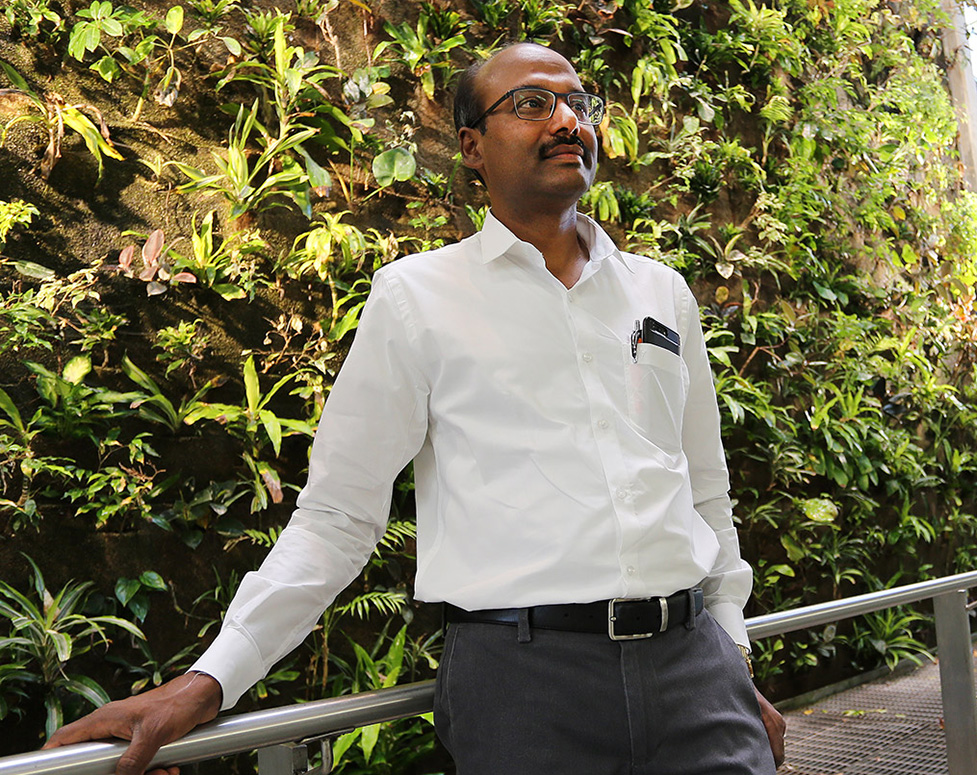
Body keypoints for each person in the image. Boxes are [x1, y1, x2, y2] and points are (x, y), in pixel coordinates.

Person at [44, 42, 786, 775]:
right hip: (524, 685)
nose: (567, 121)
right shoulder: (417, 298)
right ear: (471, 146)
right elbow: (339, 516)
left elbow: (701, 492)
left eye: (578, 103)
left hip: (697, 673)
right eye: (531, 104)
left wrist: (732, 658)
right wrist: (211, 678)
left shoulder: (662, 293)